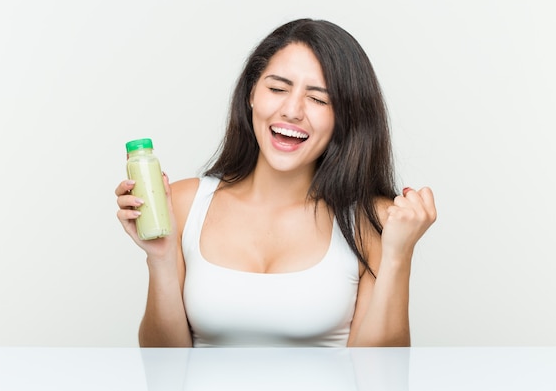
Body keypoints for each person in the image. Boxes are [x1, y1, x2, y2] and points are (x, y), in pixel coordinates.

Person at [115, 18, 437, 347]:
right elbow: (163, 366)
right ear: (251, 93)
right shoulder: (182, 204)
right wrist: (162, 258)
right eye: (277, 89)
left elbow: (380, 374)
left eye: (319, 99)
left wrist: (399, 255)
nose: (293, 111)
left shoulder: (373, 221)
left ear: (345, 117)